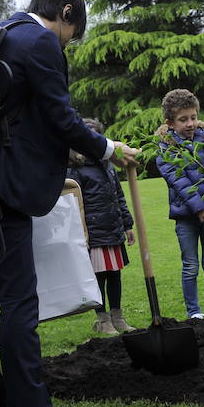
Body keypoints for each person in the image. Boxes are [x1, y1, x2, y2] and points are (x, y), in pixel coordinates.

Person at [0, 0, 140, 407]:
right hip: (10, 188)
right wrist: (108, 148)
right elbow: (59, 117)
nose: (66, 43)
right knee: (20, 301)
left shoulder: (1, 32)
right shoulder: (38, 40)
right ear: (66, 13)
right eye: (72, 34)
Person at [155, 88, 204, 325]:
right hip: (186, 217)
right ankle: (195, 312)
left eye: (193, 117)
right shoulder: (166, 147)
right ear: (170, 122)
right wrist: (199, 208)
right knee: (190, 266)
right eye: (183, 119)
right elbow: (177, 180)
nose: (190, 123)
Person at [66, 117, 136, 336]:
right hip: (93, 234)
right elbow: (72, 204)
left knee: (115, 274)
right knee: (98, 276)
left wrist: (127, 224)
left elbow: (119, 196)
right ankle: (102, 318)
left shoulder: (107, 166)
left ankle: (118, 316)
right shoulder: (75, 168)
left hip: (113, 230)